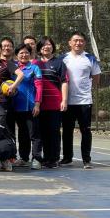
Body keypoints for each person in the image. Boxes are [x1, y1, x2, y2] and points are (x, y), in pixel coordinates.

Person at [61, 31, 101, 169]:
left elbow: (96, 77)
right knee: (67, 131)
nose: (78, 43)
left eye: (81, 40)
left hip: (85, 101)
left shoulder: (90, 58)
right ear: (70, 43)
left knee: (86, 131)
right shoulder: (63, 58)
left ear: (84, 43)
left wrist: (86, 90)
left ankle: (86, 159)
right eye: (75, 40)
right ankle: (67, 158)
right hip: (67, 101)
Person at [6, 44, 43, 169]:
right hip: (16, 107)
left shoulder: (34, 68)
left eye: (26, 52)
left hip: (30, 106)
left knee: (34, 134)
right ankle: (23, 158)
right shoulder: (13, 67)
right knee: (22, 134)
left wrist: (37, 104)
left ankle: (36, 159)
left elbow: (39, 87)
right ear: (16, 55)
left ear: (30, 54)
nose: (24, 55)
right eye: (21, 53)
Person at [35, 36, 68, 169]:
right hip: (39, 105)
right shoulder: (35, 64)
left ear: (53, 47)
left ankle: (54, 159)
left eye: (49, 44)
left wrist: (64, 100)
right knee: (42, 133)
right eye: (43, 45)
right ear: (39, 48)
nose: (46, 47)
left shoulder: (59, 63)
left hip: (54, 104)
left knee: (54, 132)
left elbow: (64, 82)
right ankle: (46, 158)